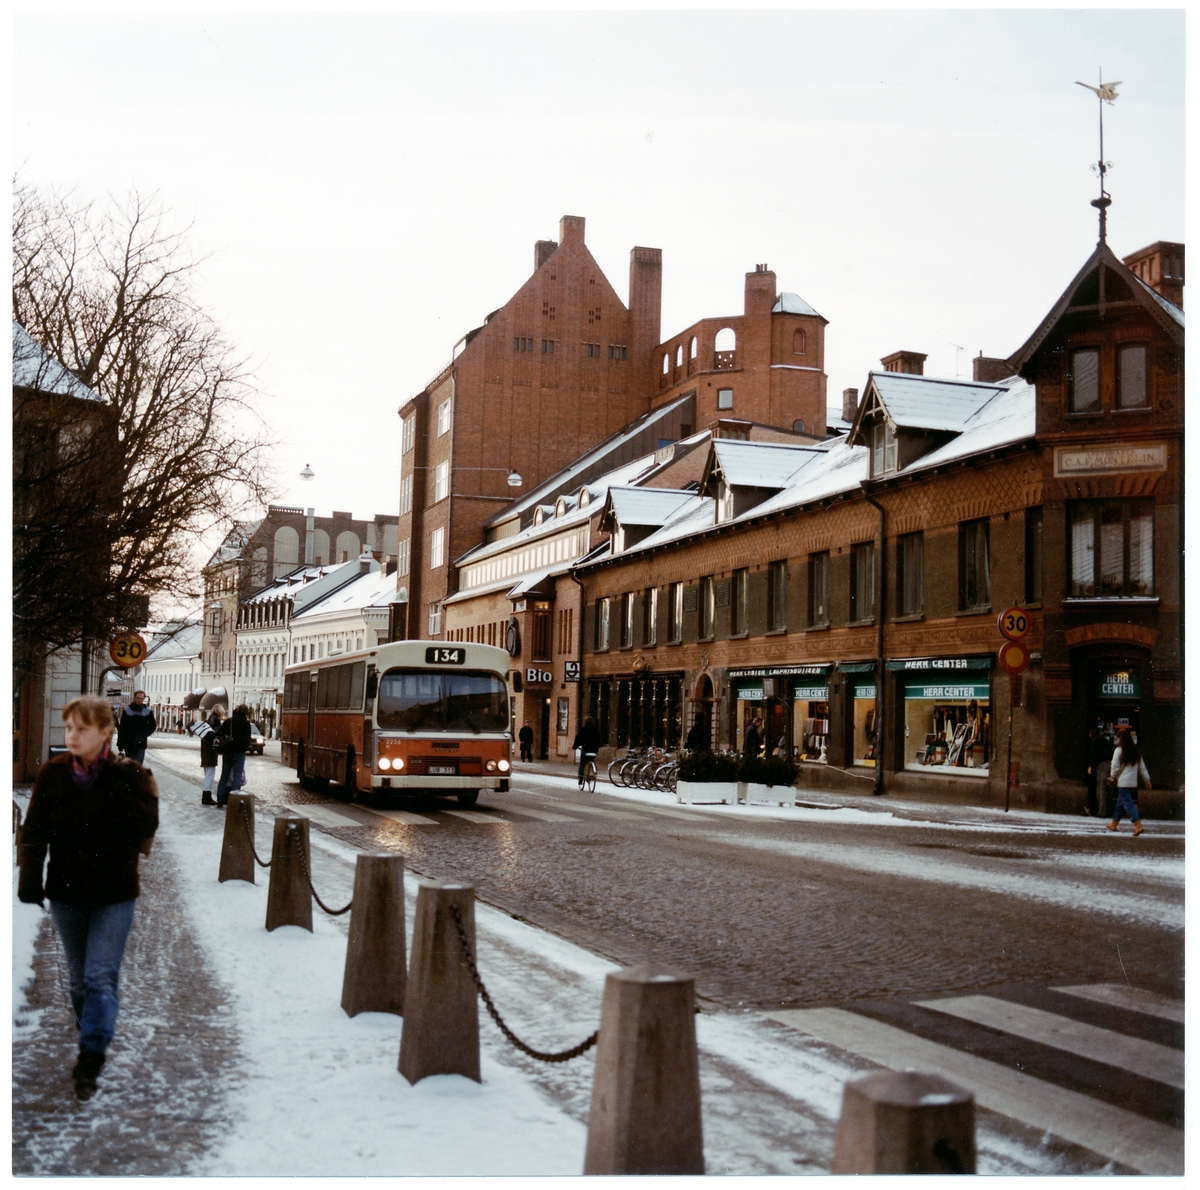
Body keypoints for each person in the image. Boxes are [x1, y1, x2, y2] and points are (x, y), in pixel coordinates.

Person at [17, 696, 159, 1100]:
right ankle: (91, 1032)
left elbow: (146, 826)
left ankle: (90, 1056)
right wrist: (30, 878)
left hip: (114, 895)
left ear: (105, 732)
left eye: (81, 728)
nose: (72, 736)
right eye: (68, 728)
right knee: (79, 983)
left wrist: (121, 786)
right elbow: (34, 830)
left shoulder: (129, 774)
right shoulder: (53, 773)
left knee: (100, 978)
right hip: (67, 893)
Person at [1107, 726, 1150, 836]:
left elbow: (1115, 766)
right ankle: (1114, 823)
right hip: (1132, 782)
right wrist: (1147, 780)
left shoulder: (1119, 750)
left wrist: (1113, 776)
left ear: (1120, 739)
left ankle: (1138, 824)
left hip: (1122, 782)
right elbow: (1142, 767)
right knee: (1120, 803)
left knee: (1128, 804)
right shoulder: (1136, 751)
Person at [214, 704, 252, 807]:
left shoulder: (229, 722)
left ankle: (220, 800)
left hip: (228, 751)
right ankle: (233, 801)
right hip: (239, 753)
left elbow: (220, 733)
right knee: (237, 776)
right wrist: (242, 748)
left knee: (224, 776)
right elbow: (247, 740)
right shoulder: (246, 724)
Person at [115, 690, 155, 765]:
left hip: (141, 743)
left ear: (143, 699)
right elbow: (122, 727)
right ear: (134, 698)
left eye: (141, 698)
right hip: (128, 743)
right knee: (129, 765)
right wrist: (120, 743)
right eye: (138, 698)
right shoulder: (127, 710)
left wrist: (144, 734)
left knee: (138, 765)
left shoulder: (147, 711)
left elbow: (152, 726)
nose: (139, 700)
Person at [196, 708, 224, 806]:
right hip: (210, 752)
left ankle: (207, 796)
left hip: (206, 752)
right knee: (209, 775)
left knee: (208, 774)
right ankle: (206, 797)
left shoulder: (208, 722)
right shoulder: (214, 723)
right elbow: (214, 738)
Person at [1085, 723, 1113, 817]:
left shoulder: (1095, 740)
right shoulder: (1105, 740)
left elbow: (1093, 754)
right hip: (1110, 765)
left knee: (1101, 787)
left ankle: (1102, 811)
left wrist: (1090, 766)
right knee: (1108, 788)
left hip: (1102, 766)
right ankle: (1108, 810)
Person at [572, 715, 601, 789]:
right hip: (593, 750)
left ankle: (581, 779)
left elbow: (578, 739)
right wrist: (597, 747)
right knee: (592, 759)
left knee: (582, 763)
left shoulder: (583, 730)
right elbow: (599, 740)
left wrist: (575, 747)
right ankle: (593, 770)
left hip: (585, 750)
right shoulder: (595, 730)